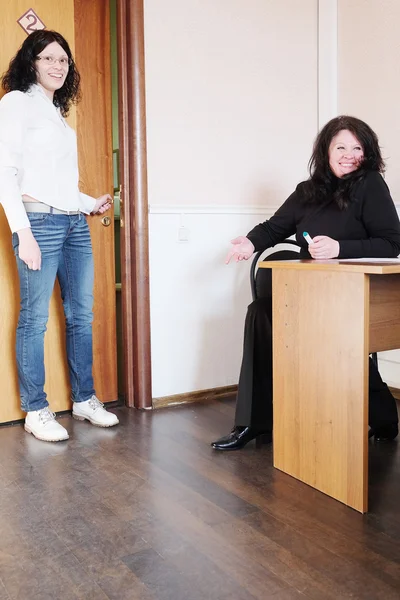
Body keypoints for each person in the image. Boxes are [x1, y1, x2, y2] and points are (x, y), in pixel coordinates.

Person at [212, 115, 400, 451]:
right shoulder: (307, 191)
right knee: (260, 313)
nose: (348, 154)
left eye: (357, 148)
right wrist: (249, 243)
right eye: (340, 146)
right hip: (308, 292)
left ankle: (382, 415)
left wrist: (339, 248)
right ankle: (252, 423)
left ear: (367, 153)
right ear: (325, 151)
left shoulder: (370, 185)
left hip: (350, 294)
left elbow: (392, 242)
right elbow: (273, 228)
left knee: (336, 335)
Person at [0, 30, 119, 442]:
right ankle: (35, 409)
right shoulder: (16, 103)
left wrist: (87, 202)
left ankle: (84, 399)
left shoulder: (57, 114)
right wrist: (23, 232)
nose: (57, 66)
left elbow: (53, 180)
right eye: (48, 58)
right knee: (34, 320)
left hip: (73, 224)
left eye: (63, 61)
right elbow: (6, 173)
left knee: (80, 315)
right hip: (40, 225)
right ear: (31, 62)